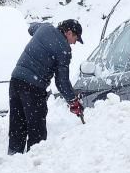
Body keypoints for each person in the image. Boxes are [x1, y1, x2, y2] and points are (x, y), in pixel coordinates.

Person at [8, 19, 85, 155]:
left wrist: (43, 33)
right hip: (33, 88)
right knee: (37, 131)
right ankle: (35, 163)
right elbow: (61, 82)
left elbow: (31, 28)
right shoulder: (64, 50)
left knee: (17, 126)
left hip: (15, 81)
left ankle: (12, 159)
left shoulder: (44, 27)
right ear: (68, 32)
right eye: (75, 38)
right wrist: (73, 100)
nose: (74, 43)